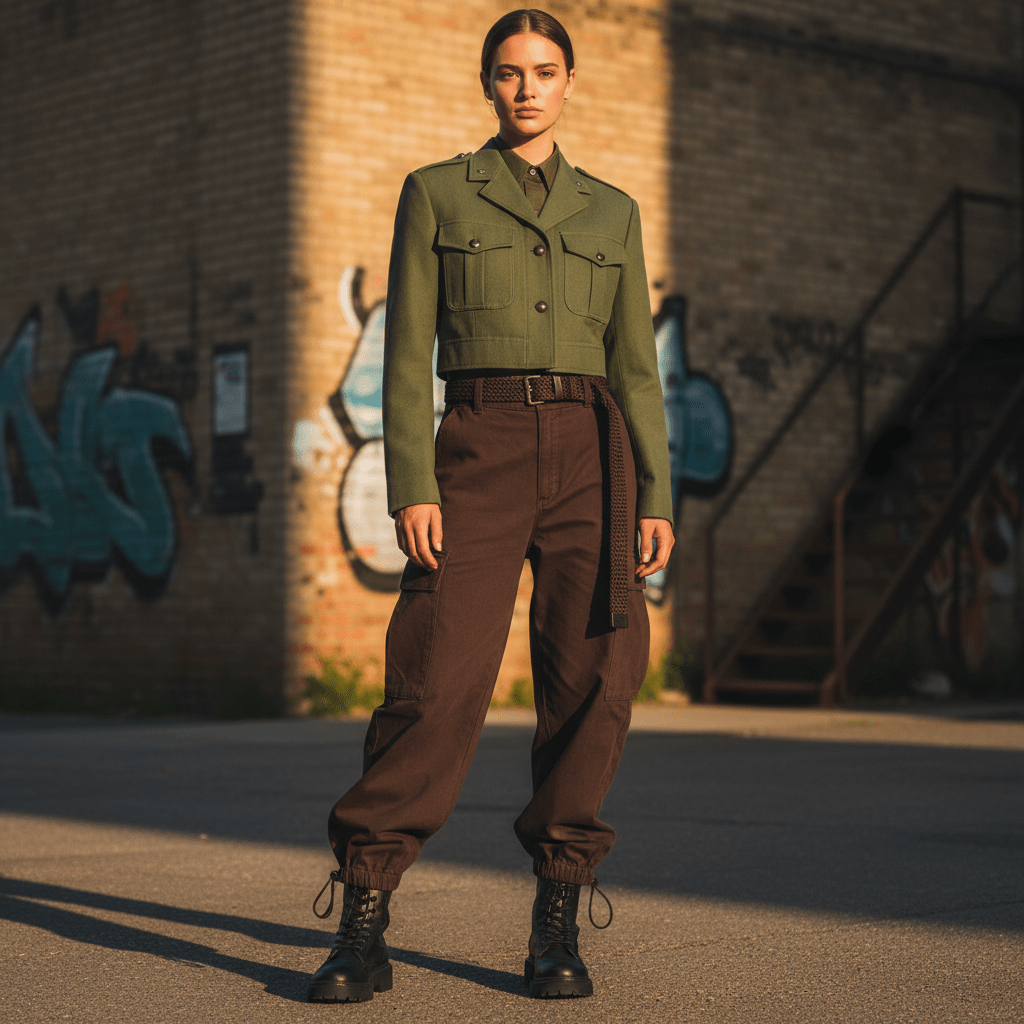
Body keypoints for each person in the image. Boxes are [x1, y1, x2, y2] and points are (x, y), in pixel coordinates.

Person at [307, 8, 674, 1003]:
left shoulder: (612, 211)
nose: (527, 88)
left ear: (568, 83)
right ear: (486, 82)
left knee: (595, 679)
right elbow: (403, 353)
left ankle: (557, 917)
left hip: (595, 456)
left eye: (545, 71)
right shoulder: (434, 193)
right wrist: (413, 483)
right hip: (478, 445)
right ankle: (365, 917)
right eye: (509, 72)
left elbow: (637, 369)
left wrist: (656, 493)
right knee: (433, 679)